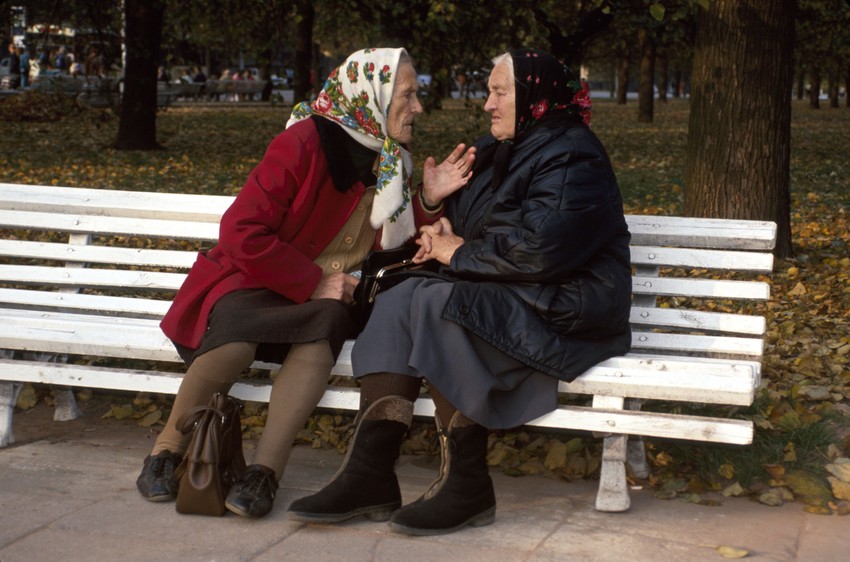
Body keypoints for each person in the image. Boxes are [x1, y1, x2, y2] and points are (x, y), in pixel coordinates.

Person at [287, 48, 632, 535]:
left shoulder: (574, 153)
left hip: (562, 306)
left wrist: (457, 253)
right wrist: (439, 225)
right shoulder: (500, 148)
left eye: (499, 92)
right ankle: (369, 475)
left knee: (434, 300)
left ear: (535, 95)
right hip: (512, 292)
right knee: (399, 296)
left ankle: (466, 485)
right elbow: (475, 230)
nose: (487, 104)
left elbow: (544, 251)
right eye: (488, 91)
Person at [135, 47, 475, 519]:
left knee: (325, 328)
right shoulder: (304, 144)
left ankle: (264, 473)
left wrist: (429, 201)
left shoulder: (393, 159)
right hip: (259, 275)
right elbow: (240, 232)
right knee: (236, 336)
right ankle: (166, 449)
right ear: (371, 96)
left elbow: (387, 235)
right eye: (408, 95)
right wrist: (313, 281)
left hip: (328, 296)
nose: (418, 107)